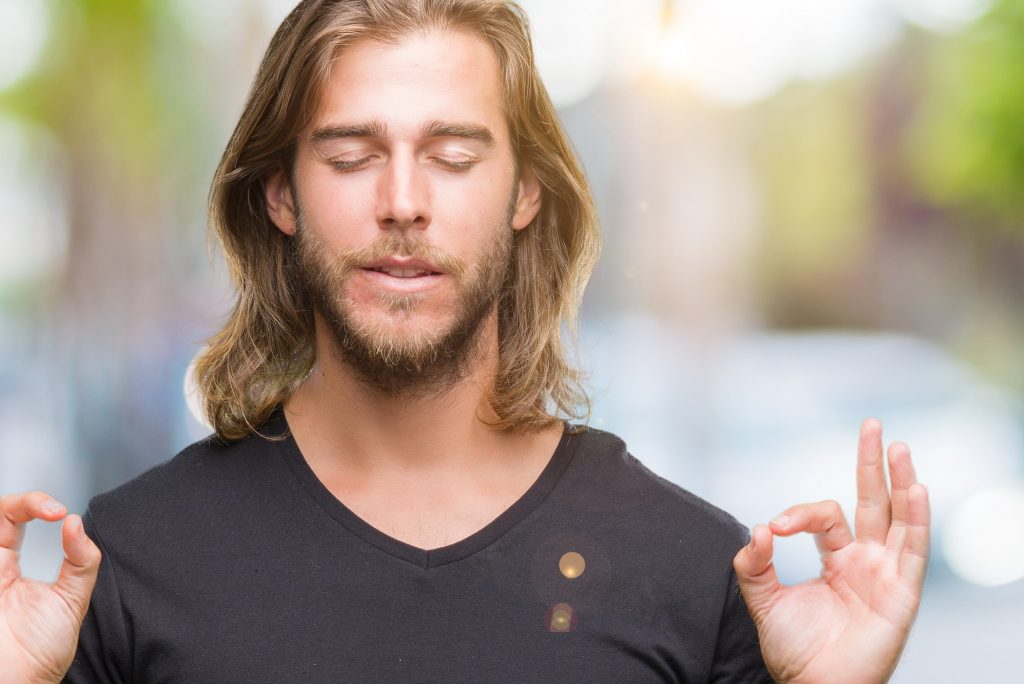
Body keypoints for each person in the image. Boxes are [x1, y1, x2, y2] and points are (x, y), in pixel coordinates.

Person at [0, 1, 930, 682]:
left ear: (527, 193)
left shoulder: (694, 571)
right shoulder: (129, 561)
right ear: (280, 195)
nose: (403, 201)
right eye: (352, 154)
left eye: (453, 155)